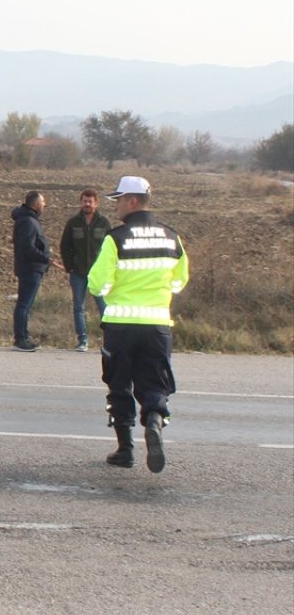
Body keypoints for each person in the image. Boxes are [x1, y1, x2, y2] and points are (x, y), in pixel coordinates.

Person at [88, 176, 189, 473]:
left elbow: (97, 283)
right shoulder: (172, 238)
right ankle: (155, 423)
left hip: (120, 325)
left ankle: (125, 450)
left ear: (132, 201)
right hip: (157, 325)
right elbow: (180, 281)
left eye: (119, 199)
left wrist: (113, 288)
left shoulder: (115, 238)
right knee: (155, 382)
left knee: (119, 384)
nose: (116, 205)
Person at [59, 189, 112, 352]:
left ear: (96, 203)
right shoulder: (73, 222)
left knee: (104, 307)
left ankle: (110, 341)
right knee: (78, 307)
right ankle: (82, 340)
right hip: (78, 273)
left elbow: (110, 247)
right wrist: (70, 266)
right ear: (81, 203)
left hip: (98, 274)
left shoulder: (104, 223)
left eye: (90, 201)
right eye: (84, 201)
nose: (87, 204)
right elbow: (65, 245)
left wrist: (108, 269)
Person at [10, 191, 64, 352]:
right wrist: (47, 260)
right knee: (24, 305)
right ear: (35, 204)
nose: (45, 205)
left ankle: (23, 337)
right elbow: (27, 247)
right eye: (43, 202)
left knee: (25, 304)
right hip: (30, 269)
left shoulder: (29, 220)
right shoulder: (27, 222)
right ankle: (21, 339)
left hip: (32, 268)